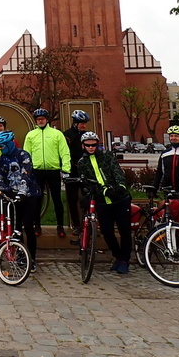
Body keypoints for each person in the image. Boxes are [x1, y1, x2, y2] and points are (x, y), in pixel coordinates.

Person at [76, 131, 133, 274]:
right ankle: (117, 256)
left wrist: (120, 186)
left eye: (93, 145)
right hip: (102, 201)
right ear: (83, 146)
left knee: (124, 230)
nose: (91, 148)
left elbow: (117, 172)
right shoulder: (82, 163)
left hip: (120, 198)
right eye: (88, 146)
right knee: (107, 231)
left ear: (97, 145)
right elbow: (87, 183)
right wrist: (103, 191)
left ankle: (125, 259)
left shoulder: (107, 156)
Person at [0, 130, 41, 270]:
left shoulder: (23, 155)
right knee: (16, 228)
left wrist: (21, 193)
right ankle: (21, 258)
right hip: (13, 197)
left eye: (2, 145)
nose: (0, 148)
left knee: (28, 227)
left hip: (29, 195)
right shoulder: (0, 160)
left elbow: (26, 174)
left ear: (9, 143)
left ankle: (31, 259)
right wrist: (5, 191)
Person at [23, 108, 70, 237]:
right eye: (38, 119)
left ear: (47, 119)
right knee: (37, 199)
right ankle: (37, 225)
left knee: (57, 199)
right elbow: (26, 154)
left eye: (42, 118)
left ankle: (60, 226)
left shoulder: (57, 134)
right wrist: (27, 170)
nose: (40, 121)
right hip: (37, 171)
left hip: (53, 170)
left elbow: (64, 152)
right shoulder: (31, 135)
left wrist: (66, 169)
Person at [63, 110, 90, 234]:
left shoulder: (88, 135)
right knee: (72, 200)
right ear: (75, 123)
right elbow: (63, 152)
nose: (83, 126)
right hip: (72, 170)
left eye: (84, 123)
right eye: (81, 123)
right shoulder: (67, 135)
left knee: (88, 197)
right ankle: (76, 225)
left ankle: (89, 223)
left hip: (85, 170)